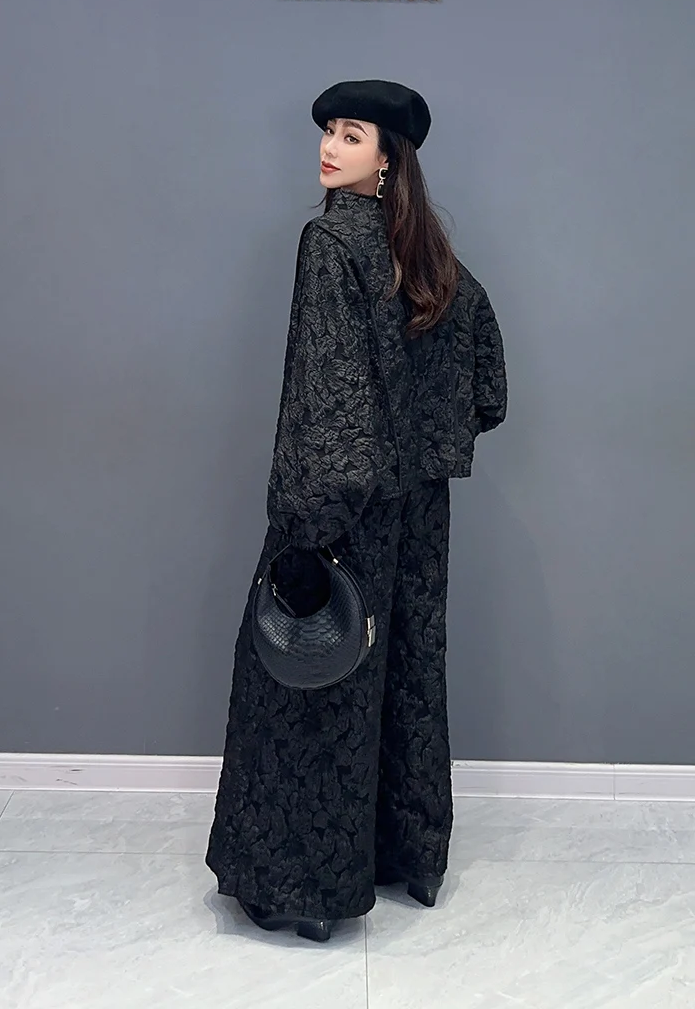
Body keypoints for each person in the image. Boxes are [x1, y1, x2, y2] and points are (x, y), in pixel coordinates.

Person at [205, 79, 507, 942]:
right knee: (406, 673)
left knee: (310, 688)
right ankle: (409, 857)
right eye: (329, 131)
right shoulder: (431, 259)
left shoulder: (330, 241)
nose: (329, 147)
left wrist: (309, 526)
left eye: (351, 134)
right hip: (418, 514)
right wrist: (426, 442)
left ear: (387, 159)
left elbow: (326, 391)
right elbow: (486, 384)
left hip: (343, 508)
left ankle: (305, 889)